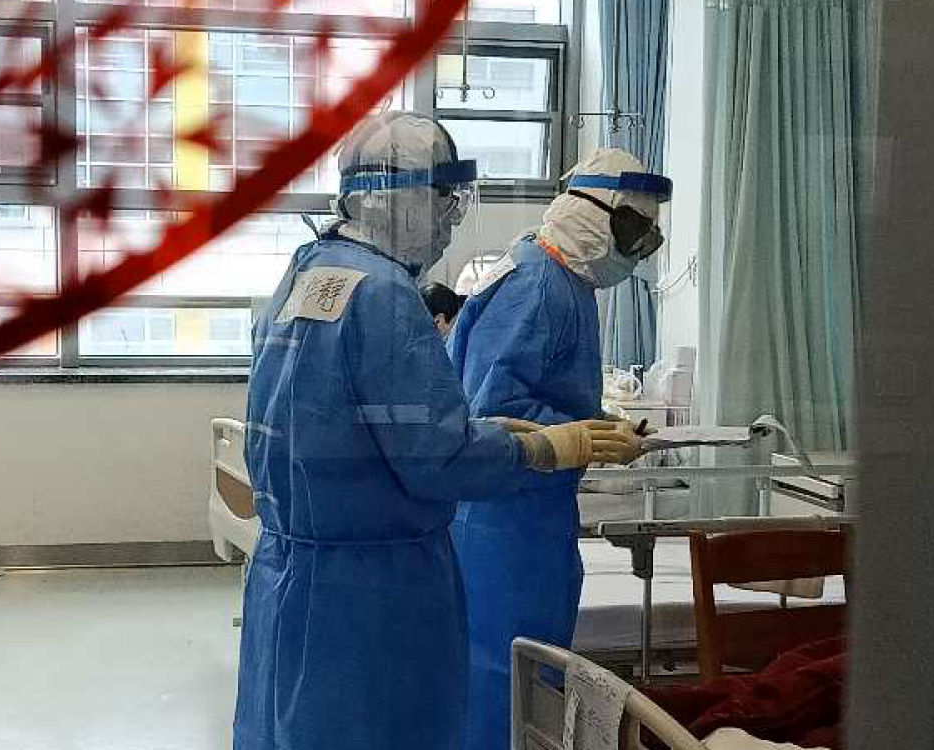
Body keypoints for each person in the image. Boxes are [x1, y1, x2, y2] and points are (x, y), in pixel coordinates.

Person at [234, 114, 643, 750]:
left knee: (290, 727)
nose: (450, 219)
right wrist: (540, 446)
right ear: (396, 200)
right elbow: (437, 460)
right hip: (373, 585)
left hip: (289, 568)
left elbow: (360, 421)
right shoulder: (385, 295)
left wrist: (485, 430)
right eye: (442, 200)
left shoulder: (307, 272)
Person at [446, 147, 673, 750]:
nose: (637, 249)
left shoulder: (561, 281)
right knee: (502, 678)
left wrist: (595, 426)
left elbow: (542, 392)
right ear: (589, 213)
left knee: (534, 678)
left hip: (533, 517)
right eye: (632, 230)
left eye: (647, 236)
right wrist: (582, 436)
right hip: (501, 522)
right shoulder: (536, 285)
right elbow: (490, 411)